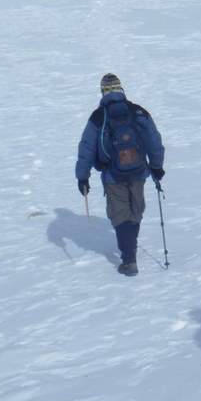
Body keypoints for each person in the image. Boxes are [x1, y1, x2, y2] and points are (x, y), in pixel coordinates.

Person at [75, 73, 166, 276]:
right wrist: (157, 167)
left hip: (112, 174)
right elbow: (154, 139)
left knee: (120, 213)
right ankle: (130, 248)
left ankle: (129, 259)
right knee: (135, 209)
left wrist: (83, 176)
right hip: (139, 171)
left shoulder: (98, 117)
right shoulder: (138, 111)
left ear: (103, 92)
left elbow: (87, 148)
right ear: (121, 89)